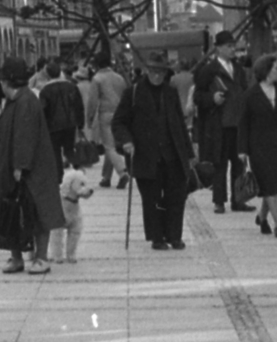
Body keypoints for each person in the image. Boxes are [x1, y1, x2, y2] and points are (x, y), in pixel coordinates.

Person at [0, 56, 66, 271]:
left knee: (37, 212)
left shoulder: (25, 102)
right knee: (11, 211)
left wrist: (20, 166)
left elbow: (25, 135)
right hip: (12, 168)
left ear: (5, 82)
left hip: (30, 170)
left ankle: (40, 257)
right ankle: (17, 258)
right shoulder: (17, 101)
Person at [112, 51, 195, 250]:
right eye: (153, 71)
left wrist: (189, 152)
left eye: (161, 72)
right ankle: (157, 237)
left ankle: (175, 236)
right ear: (147, 71)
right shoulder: (132, 93)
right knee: (152, 199)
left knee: (176, 197)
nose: (157, 75)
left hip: (172, 154)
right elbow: (118, 122)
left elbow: (179, 124)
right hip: (145, 156)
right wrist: (127, 141)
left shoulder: (170, 92)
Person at [237, 54, 277, 239]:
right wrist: (242, 150)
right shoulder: (250, 95)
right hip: (260, 147)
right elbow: (243, 123)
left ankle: (262, 217)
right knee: (270, 185)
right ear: (265, 70)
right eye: (276, 68)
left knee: (274, 186)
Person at [194, 31, 252, 214]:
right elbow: (197, 96)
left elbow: (245, 90)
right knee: (219, 164)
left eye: (233, 45)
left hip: (238, 122)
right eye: (228, 46)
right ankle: (219, 201)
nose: (232, 49)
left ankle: (238, 200)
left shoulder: (239, 68)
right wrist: (212, 98)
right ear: (218, 48)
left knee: (239, 163)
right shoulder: (208, 70)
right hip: (219, 124)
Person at [39, 61, 86, 174]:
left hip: (53, 126)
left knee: (55, 151)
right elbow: (79, 106)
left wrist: (41, 127)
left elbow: (43, 110)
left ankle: (58, 175)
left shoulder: (45, 90)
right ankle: (78, 169)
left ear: (47, 74)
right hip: (70, 123)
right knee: (69, 149)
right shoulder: (71, 86)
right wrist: (80, 124)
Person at [91, 54, 130, 189]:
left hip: (106, 114)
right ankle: (106, 177)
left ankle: (122, 172)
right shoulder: (119, 78)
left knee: (109, 146)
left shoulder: (97, 79)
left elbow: (93, 101)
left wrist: (89, 117)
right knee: (111, 145)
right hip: (120, 114)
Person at [50, 156, 95, 263]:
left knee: (75, 231)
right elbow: (55, 233)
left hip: (74, 209)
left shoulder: (76, 205)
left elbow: (75, 233)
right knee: (56, 232)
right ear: (69, 185)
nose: (88, 189)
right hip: (63, 207)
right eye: (82, 185)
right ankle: (57, 255)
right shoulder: (58, 201)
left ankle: (71, 254)